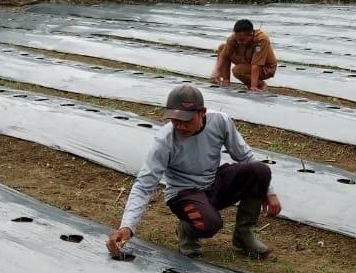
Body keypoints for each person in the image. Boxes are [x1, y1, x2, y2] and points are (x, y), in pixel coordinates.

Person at [106, 84, 282, 259]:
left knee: (260, 171)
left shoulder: (220, 121)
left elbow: (245, 155)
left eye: (187, 121)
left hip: (212, 183)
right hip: (183, 194)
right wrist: (127, 226)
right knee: (211, 224)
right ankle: (187, 230)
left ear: (202, 112)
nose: (181, 127)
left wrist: (269, 191)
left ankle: (244, 234)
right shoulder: (164, 141)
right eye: (176, 121)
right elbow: (144, 185)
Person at [210, 19, 277, 91]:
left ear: (251, 34)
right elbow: (224, 55)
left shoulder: (261, 39)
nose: (238, 42)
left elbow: (256, 65)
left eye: (242, 40)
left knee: (237, 70)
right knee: (222, 47)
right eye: (237, 39)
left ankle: (260, 84)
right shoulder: (235, 37)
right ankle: (226, 80)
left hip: (264, 68)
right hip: (246, 61)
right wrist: (217, 72)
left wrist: (253, 86)